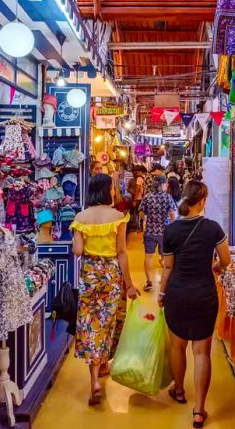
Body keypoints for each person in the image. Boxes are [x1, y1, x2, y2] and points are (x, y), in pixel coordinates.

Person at [158, 181, 231, 428]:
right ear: (202, 201)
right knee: (202, 352)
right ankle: (199, 410)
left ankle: (179, 391)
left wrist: (161, 292)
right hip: (204, 295)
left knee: (177, 347)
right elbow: (226, 260)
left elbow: (167, 267)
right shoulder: (212, 228)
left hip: (177, 294)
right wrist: (216, 268)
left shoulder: (171, 231)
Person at [70, 174, 140, 405]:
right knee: (108, 321)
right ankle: (103, 365)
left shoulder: (80, 218)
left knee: (91, 323)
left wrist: (78, 236)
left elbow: (78, 252)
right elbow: (122, 252)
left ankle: (94, 379)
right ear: (107, 190)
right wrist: (129, 284)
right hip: (111, 274)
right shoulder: (118, 217)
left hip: (90, 273)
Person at [140, 174, 177, 291]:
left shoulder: (147, 197)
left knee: (148, 257)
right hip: (165, 232)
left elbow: (141, 213)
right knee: (165, 258)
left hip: (150, 231)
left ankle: (149, 281)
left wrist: (147, 218)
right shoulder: (167, 197)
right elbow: (172, 215)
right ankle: (164, 281)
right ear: (162, 184)